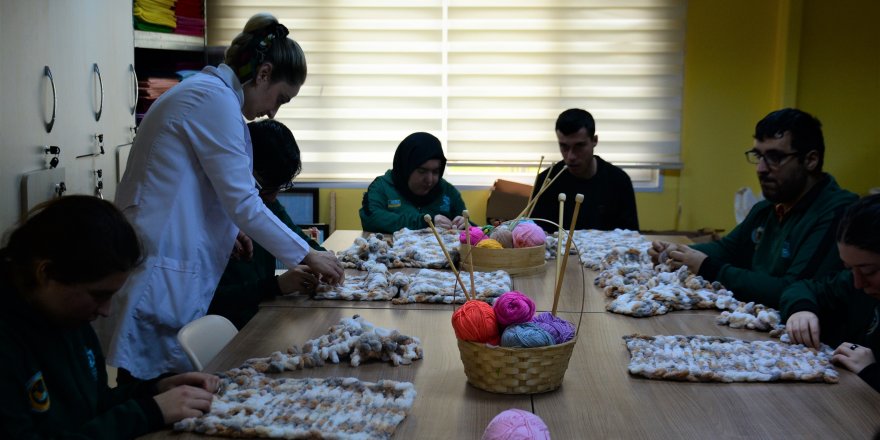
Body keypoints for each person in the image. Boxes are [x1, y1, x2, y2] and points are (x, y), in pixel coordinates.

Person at [99, 13, 344, 381]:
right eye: (280, 98)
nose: (273, 111)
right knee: (159, 394)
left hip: (170, 257)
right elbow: (244, 201)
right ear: (262, 74)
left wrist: (230, 230)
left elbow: (204, 187)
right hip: (160, 264)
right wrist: (308, 253)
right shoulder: (212, 101)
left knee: (173, 387)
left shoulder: (212, 98)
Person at [0, 195, 220, 439]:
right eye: (98, 295)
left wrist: (154, 390)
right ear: (46, 273)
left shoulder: (67, 316)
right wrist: (148, 412)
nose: (105, 310)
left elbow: (94, 405)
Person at [649, 108, 857, 308]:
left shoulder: (839, 213)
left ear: (811, 160)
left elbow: (793, 290)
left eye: (775, 158)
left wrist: (707, 267)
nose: (761, 169)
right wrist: (678, 253)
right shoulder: (767, 208)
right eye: (758, 156)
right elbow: (727, 249)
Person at [208, 119, 327, 329]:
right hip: (234, 331)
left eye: (278, 189)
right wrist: (277, 286)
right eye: (268, 189)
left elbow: (298, 240)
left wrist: (320, 258)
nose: (272, 199)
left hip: (266, 318)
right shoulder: (212, 216)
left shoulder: (268, 203)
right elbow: (214, 302)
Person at [781, 194, 880, 391]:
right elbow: (802, 287)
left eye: (869, 271)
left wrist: (872, 372)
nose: (858, 282)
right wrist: (802, 309)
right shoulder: (853, 283)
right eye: (849, 268)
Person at [528, 108, 639, 233]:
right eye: (564, 146)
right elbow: (536, 238)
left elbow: (631, 236)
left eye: (579, 146)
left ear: (594, 141)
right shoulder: (546, 181)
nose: (571, 156)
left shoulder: (619, 181)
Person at [359, 132, 467, 232]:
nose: (429, 180)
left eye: (435, 172)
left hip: (438, 252)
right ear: (406, 167)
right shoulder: (381, 187)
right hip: (392, 250)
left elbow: (469, 228)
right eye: (422, 171)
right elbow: (371, 219)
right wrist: (425, 222)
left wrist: (467, 227)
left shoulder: (447, 191)